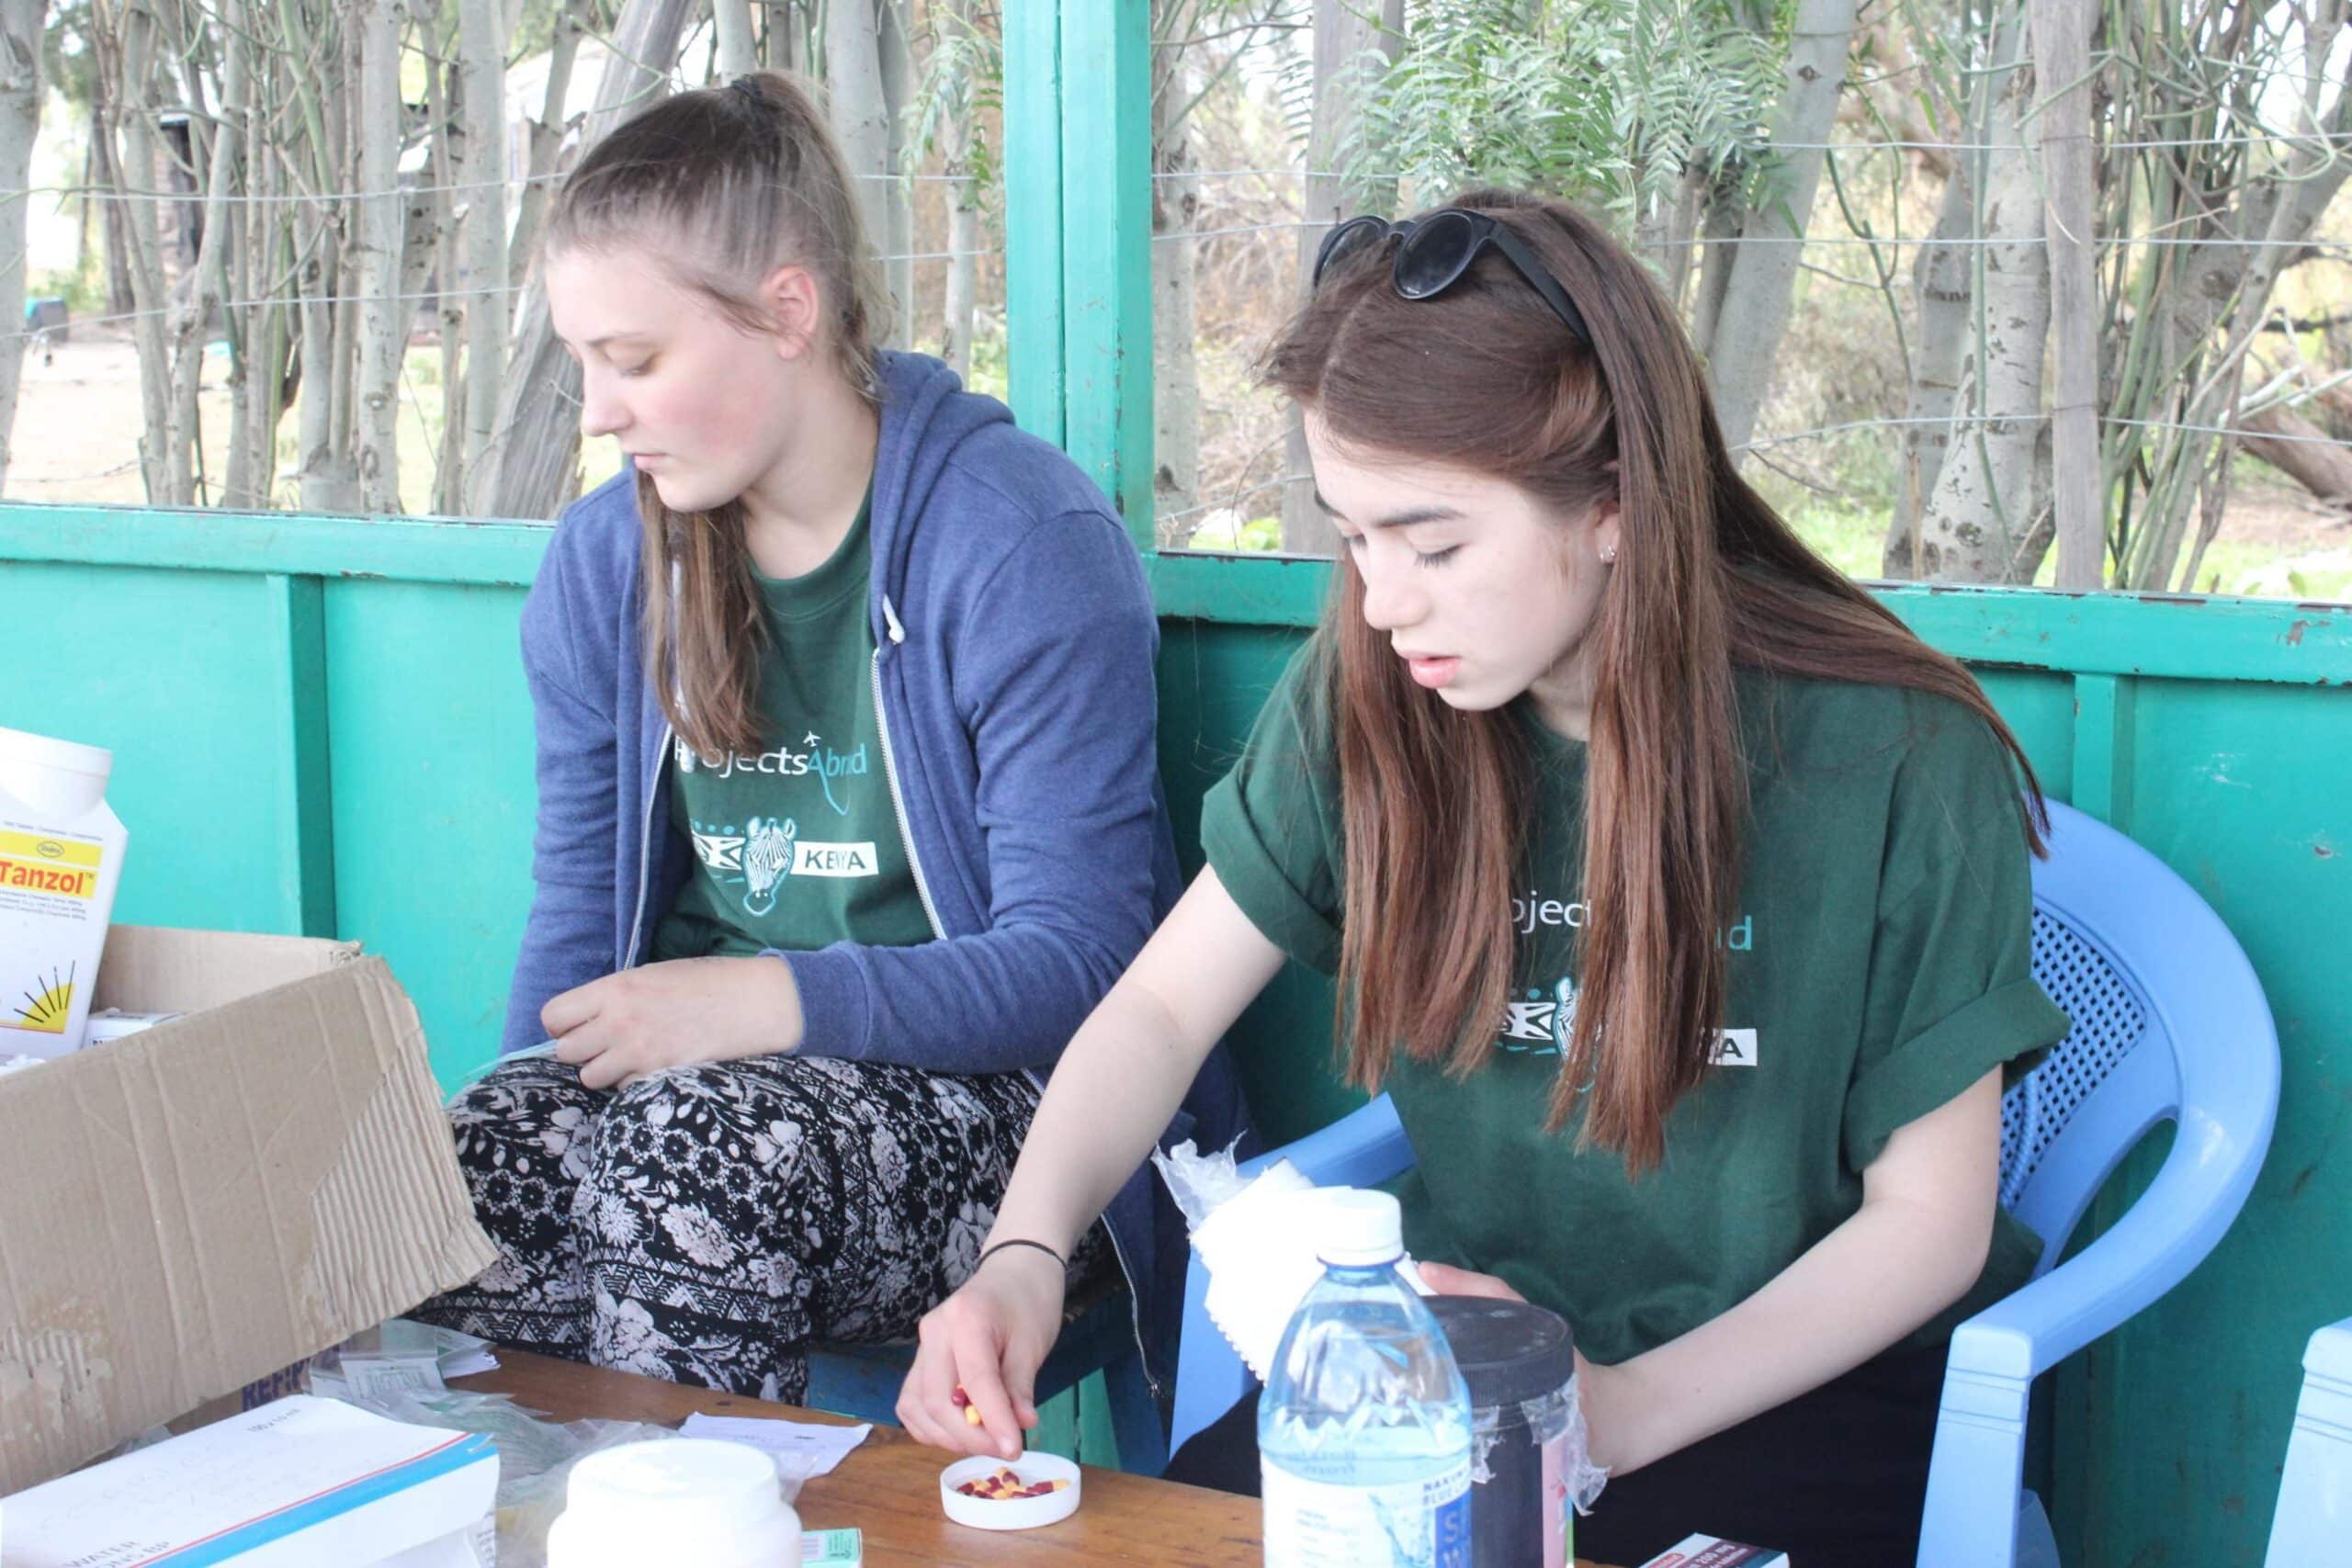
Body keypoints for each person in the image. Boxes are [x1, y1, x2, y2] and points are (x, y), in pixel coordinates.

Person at [896, 189, 2069, 1566]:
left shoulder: (1899, 756)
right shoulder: (1373, 695)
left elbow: (1928, 1226)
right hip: (1447, 1379)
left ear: (1618, 500)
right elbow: (1160, 1009)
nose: (1386, 602)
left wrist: (1619, 1411)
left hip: (1797, 1392)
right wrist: (1023, 1254)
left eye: (1436, 543)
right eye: (1353, 535)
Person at [412, 71, 1246, 1406]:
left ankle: (698, 1532)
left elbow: (1086, 962)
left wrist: (768, 1003)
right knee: (469, 1172)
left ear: (787, 312)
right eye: (583, 362)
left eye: (634, 361)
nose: (598, 411)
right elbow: (576, 934)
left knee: (698, 1153)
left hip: (1010, 1113)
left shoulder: (1018, 542)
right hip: (702, 1093)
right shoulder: (604, 565)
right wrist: (522, 1105)